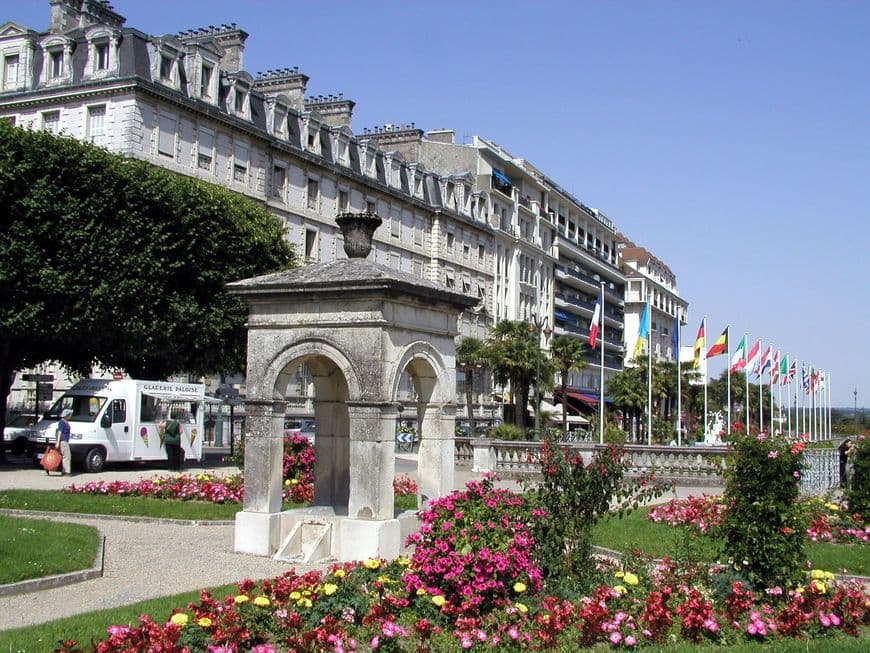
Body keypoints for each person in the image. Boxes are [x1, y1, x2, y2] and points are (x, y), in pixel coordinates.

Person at [54, 408, 73, 475]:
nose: (71, 416)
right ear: (67, 415)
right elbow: (59, 432)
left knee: (66, 456)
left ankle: (64, 470)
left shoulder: (66, 422)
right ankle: (66, 471)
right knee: (67, 456)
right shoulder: (62, 422)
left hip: (66, 440)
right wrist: (57, 442)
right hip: (63, 440)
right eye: (70, 414)